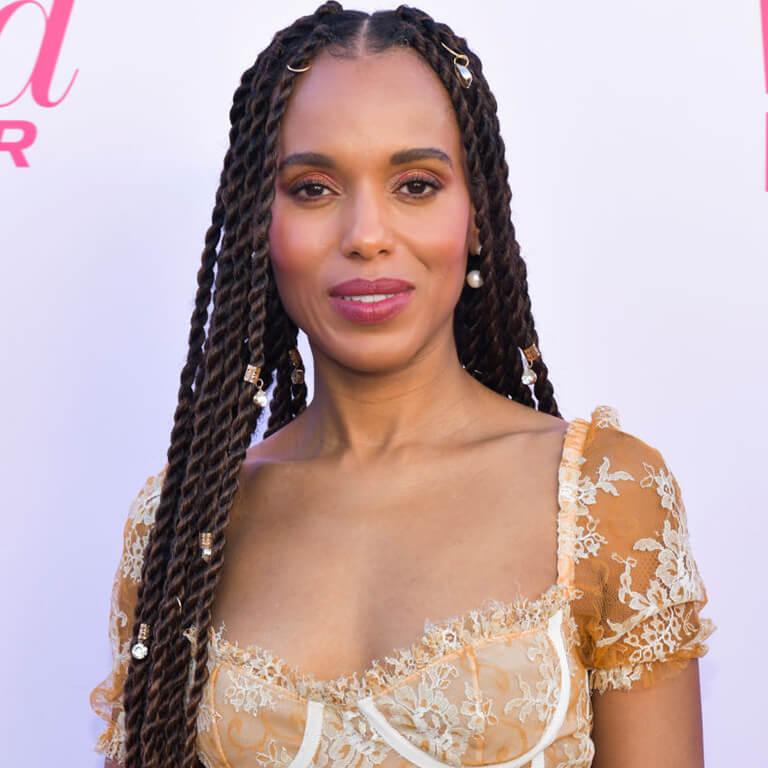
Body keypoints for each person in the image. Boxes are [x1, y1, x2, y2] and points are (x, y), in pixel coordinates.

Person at [88, 4, 716, 767]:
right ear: (260, 224)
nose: (366, 234)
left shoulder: (605, 498)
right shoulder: (182, 526)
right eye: (314, 188)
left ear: (477, 215)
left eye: (415, 185)